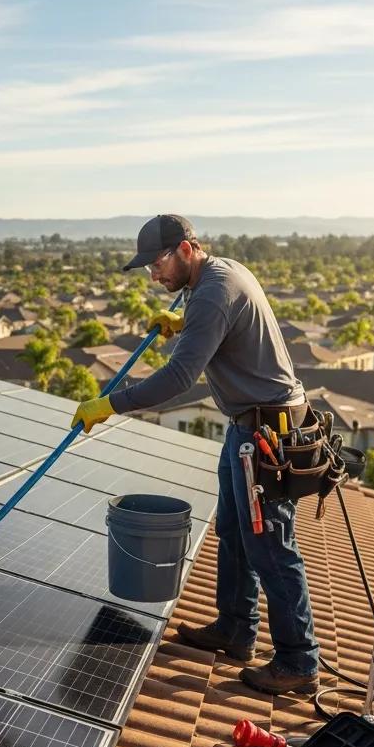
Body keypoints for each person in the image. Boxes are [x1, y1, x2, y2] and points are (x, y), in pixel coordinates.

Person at [71, 214, 319, 695]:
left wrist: (111, 403)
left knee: (270, 546)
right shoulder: (218, 276)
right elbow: (218, 317)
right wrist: (181, 319)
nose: (154, 275)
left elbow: (179, 378)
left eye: (158, 262)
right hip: (247, 426)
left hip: (267, 432)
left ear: (188, 249)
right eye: (147, 268)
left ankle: (298, 661)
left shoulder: (213, 290)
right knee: (233, 530)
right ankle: (234, 629)